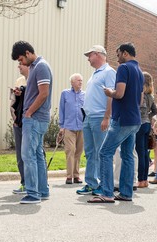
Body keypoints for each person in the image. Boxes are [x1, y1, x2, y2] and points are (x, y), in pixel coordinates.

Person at [88, 42, 143, 203]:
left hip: (122, 119)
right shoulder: (139, 72)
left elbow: (119, 93)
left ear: (125, 53)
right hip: (135, 119)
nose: (117, 58)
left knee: (104, 152)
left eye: (118, 54)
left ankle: (107, 193)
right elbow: (139, 100)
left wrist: (108, 92)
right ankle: (126, 193)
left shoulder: (124, 69)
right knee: (127, 156)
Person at [11, 41, 53, 204]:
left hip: (34, 118)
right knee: (37, 155)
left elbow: (43, 93)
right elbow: (36, 91)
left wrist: (28, 112)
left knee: (28, 155)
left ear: (28, 53)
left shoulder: (41, 66)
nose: (21, 63)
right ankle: (42, 191)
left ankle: (33, 193)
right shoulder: (37, 67)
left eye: (21, 59)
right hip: (37, 118)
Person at [76, 45, 115, 195]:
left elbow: (111, 96)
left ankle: (103, 184)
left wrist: (106, 117)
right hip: (89, 118)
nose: (88, 59)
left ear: (98, 54)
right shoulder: (94, 74)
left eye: (90, 55)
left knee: (101, 152)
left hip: (100, 117)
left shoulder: (108, 72)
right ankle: (91, 183)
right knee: (90, 152)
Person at [59, 73, 85, 185]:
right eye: (78, 80)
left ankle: (76, 175)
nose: (80, 82)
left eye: (81, 80)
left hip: (82, 127)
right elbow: (61, 110)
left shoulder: (85, 94)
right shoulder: (65, 94)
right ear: (72, 82)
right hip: (69, 127)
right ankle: (69, 176)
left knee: (78, 152)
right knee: (70, 150)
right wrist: (61, 126)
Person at [135, 72, 157, 188]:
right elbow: (155, 111)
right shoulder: (151, 96)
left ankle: (141, 180)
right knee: (144, 153)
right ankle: (145, 179)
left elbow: (139, 108)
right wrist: (148, 117)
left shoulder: (141, 95)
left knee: (140, 153)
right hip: (147, 124)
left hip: (140, 124)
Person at [10, 63, 29, 194]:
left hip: (30, 122)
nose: (18, 67)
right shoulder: (19, 80)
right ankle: (24, 183)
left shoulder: (35, 79)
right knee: (20, 155)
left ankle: (38, 183)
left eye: (21, 64)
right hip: (19, 122)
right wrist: (15, 119)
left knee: (32, 154)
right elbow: (12, 102)